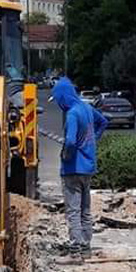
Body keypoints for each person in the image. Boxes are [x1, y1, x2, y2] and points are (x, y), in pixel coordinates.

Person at [51, 77, 108, 258]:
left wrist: (66, 155)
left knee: (73, 210)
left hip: (72, 169)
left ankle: (76, 247)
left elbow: (69, 141)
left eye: (58, 100)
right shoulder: (86, 107)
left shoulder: (73, 114)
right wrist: (93, 141)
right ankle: (86, 246)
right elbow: (103, 122)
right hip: (88, 167)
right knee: (85, 209)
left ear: (62, 97)